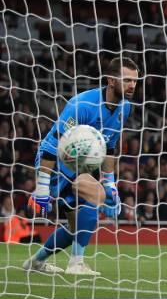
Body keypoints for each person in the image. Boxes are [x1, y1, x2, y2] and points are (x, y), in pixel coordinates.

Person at [23, 57, 139, 275]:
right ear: (111, 81)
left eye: (135, 81)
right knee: (94, 196)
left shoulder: (125, 108)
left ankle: (36, 262)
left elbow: (110, 147)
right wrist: (42, 187)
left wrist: (110, 183)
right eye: (127, 80)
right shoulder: (82, 105)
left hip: (81, 167)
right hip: (56, 161)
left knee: (76, 226)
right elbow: (51, 143)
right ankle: (76, 264)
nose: (132, 85)